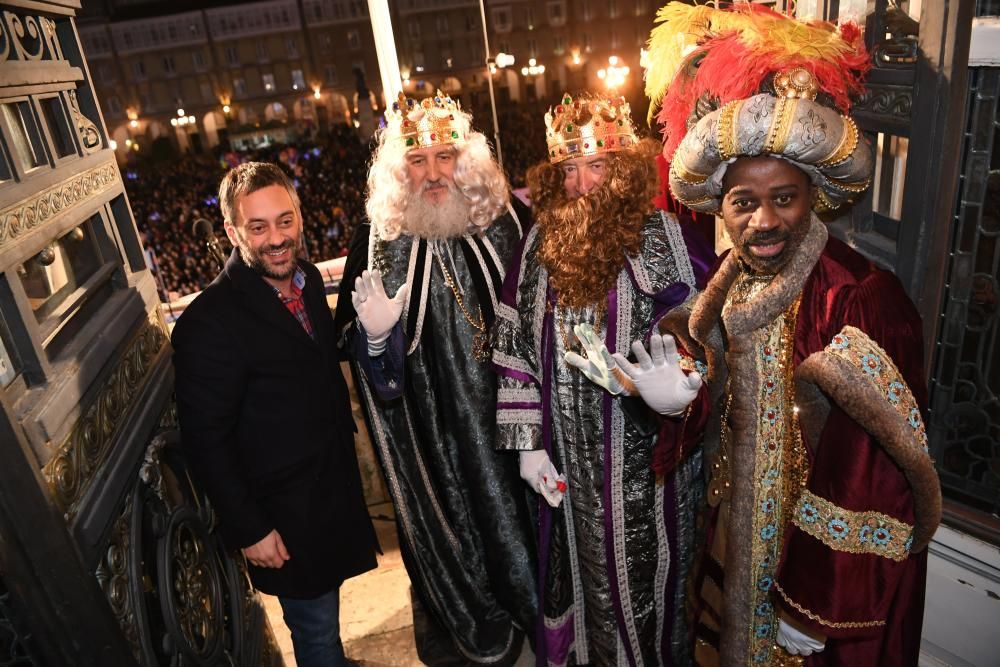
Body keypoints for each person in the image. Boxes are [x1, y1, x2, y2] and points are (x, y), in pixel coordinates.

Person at [642, 4, 943, 665]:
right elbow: (723, 412)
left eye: (785, 197)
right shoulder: (728, 285)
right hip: (731, 546)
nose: (763, 220)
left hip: (814, 585)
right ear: (721, 207)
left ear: (815, 196)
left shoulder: (858, 295)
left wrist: (818, 596)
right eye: (743, 202)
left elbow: (874, 464)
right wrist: (680, 398)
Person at [491, 92, 716, 666]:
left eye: (597, 166)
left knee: (651, 592)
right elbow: (512, 339)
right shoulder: (539, 243)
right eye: (569, 169)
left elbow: (707, 333)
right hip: (565, 465)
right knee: (582, 584)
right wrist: (529, 445)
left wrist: (675, 387)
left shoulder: (666, 236)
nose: (582, 184)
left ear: (624, 170)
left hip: (645, 465)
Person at [333, 91, 536, 665]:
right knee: (457, 532)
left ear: (465, 160)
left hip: (513, 418)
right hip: (434, 432)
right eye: (417, 162)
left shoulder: (508, 224)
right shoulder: (377, 242)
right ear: (400, 172)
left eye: (444, 157)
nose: (432, 174)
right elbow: (360, 354)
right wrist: (375, 338)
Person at [172, 162, 377, 667]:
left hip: (329, 494)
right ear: (231, 231)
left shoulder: (305, 283)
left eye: (285, 221)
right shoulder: (208, 322)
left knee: (328, 623)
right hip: (282, 518)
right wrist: (250, 529)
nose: (277, 239)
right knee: (315, 636)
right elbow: (206, 440)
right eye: (258, 227)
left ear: (300, 214)